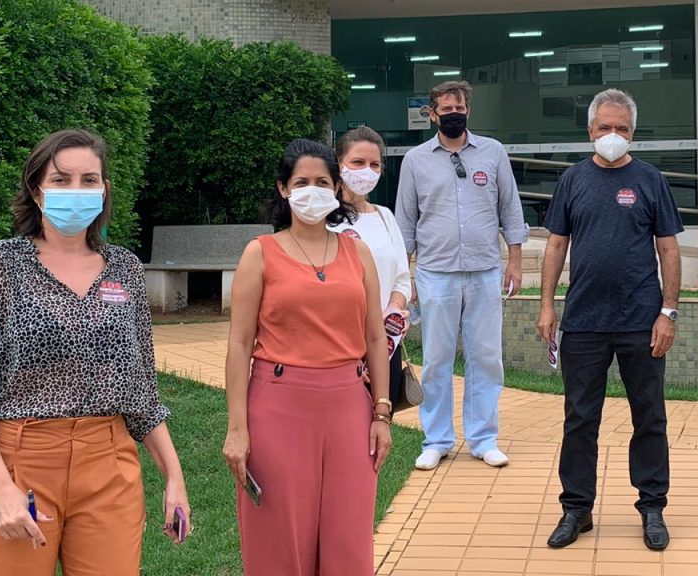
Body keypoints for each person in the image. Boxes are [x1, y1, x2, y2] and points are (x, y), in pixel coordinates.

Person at [0, 129, 190, 576]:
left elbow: (141, 390)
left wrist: (174, 477)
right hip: (19, 462)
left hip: (108, 466)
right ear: (36, 189)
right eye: (61, 180)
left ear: (104, 190)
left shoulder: (125, 269)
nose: (76, 190)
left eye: (89, 180)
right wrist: (0, 488)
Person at [222, 138, 391, 576]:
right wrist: (237, 428)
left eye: (322, 182)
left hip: (349, 406)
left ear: (337, 188)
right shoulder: (260, 253)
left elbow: (375, 337)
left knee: (348, 538)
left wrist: (382, 413)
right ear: (283, 189)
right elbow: (240, 345)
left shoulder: (358, 252)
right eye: (301, 182)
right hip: (278, 406)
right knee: (280, 538)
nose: (312, 190)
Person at [538, 89, 683, 552]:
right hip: (583, 321)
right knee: (580, 418)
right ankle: (576, 509)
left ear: (633, 133)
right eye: (605, 127)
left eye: (621, 128)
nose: (613, 135)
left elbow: (669, 249)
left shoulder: (650, 179)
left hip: (641, 320)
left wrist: (668, 312)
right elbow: (556, 245)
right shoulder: (572, 180)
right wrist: (547, 305)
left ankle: (652, 506)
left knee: (649, 415)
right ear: (590, 131)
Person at [395, 80, 527, 470]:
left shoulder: (493, 152)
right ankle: (436, 439)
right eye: (446, 109)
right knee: (437, 359)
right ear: (432, 114)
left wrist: (515, 261)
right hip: (435, 273)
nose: (454, 114)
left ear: (468, 110)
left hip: (485, 271)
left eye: (460, 108)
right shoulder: (415, 160)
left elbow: (510, 209)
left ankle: (483, 438)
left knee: (486, 357)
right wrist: (406, 276)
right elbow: (405, 220)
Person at [329, 126, 412, 406]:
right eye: (358, 162)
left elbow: (402, 277)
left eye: (374, 164)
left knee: (381, 418)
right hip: (341, 345)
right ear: (339, 164)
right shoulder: (325, 219)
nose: (367, 171)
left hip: (386, 344)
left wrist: (394, 311)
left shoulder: (385, 216)